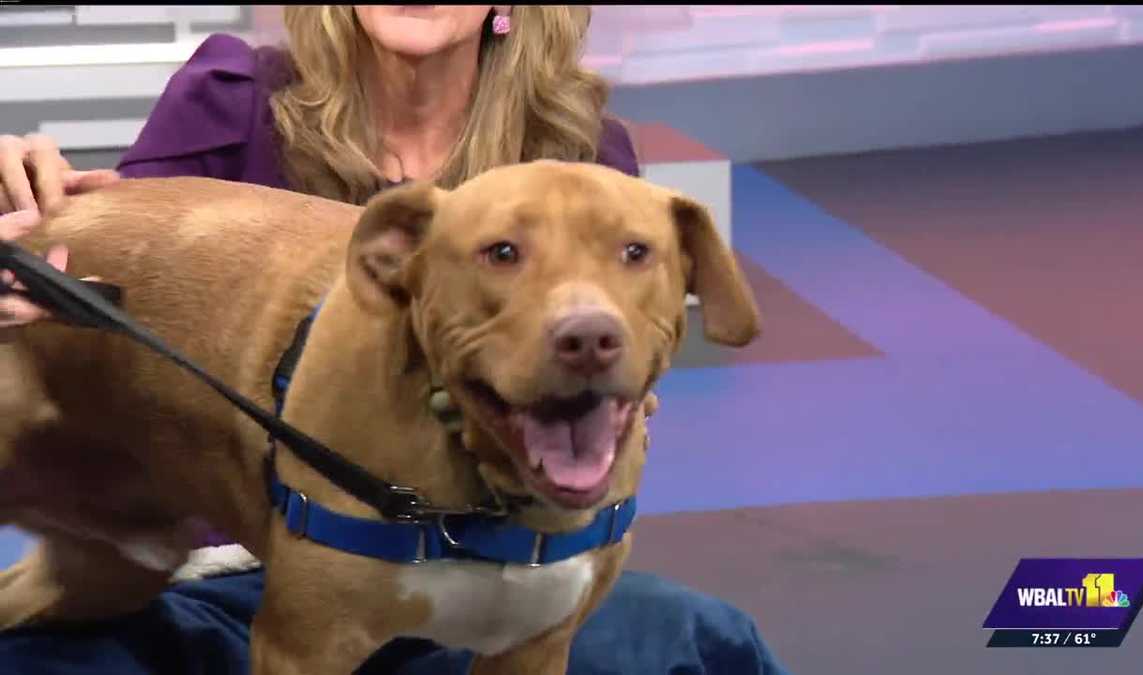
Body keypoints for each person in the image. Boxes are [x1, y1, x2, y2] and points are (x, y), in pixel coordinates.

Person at [0, 6, 789, 674]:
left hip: (501, 573)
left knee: (702, 642)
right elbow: (125, 284)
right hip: (243, 571)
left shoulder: (587, 159)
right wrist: (33, 218)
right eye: (505, 255)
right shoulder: (235, 97)